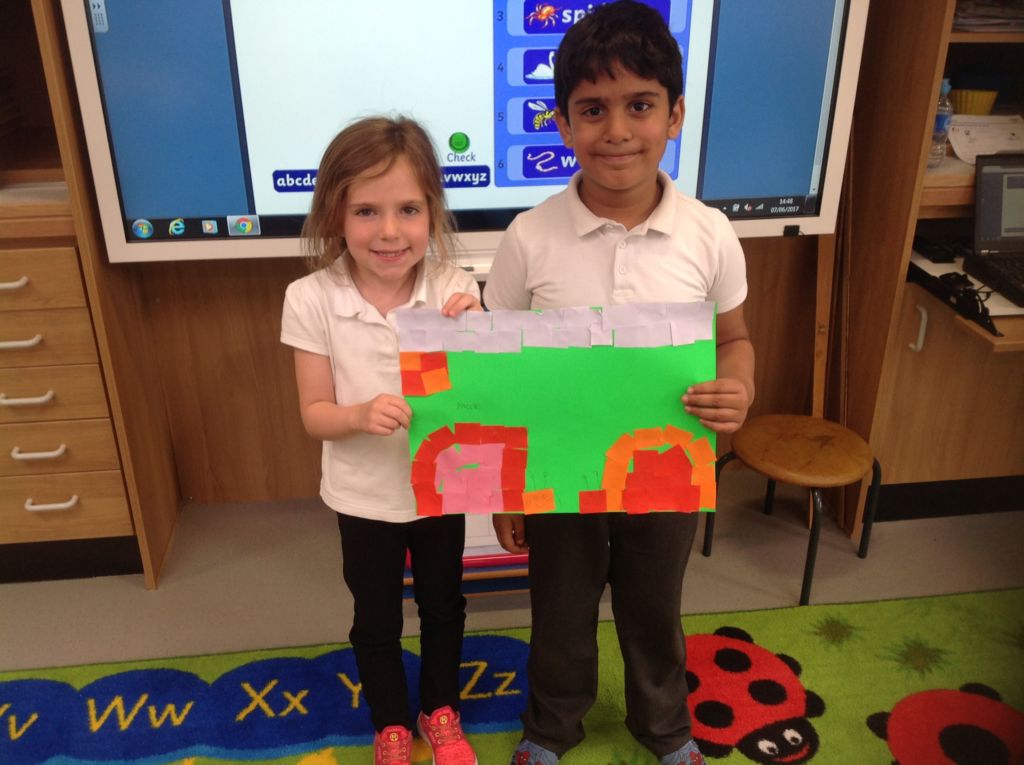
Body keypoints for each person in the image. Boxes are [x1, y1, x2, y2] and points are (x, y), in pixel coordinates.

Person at [485, 3, 755, 764]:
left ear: (674, 115)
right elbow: (501, 366)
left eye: (640, 105)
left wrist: (739, 390)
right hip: (561, 474)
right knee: (560, 612)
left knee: (654, 610)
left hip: (666, 471)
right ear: (563, 124)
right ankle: (551, 726)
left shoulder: (708, 232)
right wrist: (508, 486)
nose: (617, 130)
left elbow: (734, 340)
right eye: (592, 109)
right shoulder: (529, 236)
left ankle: (665, 728)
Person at [281, 116, 481, 765]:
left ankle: (440, 709)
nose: (389, 231)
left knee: (444, 605)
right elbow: (314, 414)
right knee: (375, 617)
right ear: (335, 215)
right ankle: (391, 721)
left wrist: (480, 334)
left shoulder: (453, 287)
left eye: (408, 210)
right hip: (363, 496)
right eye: (367, 211)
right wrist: (359, 414)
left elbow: (480, 397)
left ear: (432, 213)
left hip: (440, 488)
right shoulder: (310, 297)